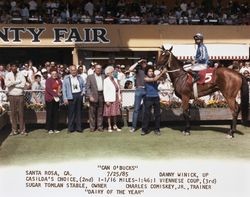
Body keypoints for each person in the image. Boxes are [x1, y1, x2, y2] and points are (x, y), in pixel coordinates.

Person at [141, 65, 167, 136]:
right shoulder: (145, 78)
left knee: (157, 115)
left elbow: (164, 78)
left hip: (156, 97)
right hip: (148, 98)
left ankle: (157, 129)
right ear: (147, 72)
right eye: (149, 71)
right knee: (147, 115)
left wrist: (163, 72)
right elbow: (154, 80)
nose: (151, 72)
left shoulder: (156, 77)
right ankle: (144, 129)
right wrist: (162, 73)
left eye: (152, 71)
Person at [5, 63, 27, 136]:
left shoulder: (21, 74)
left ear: (17, 67)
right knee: (13, 113)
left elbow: (23, 84)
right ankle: (14, 130)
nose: (14, 67)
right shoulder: (8, 74)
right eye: (12, 66)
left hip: (20, 95)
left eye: (15, 66)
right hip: (11, 95)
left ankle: (22, 130)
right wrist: (16, 82)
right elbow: (6, 84)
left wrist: (13, 85)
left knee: (21, 113)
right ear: (11, 67)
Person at [127, 59, 148, 132]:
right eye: (143, 62)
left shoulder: (148, 70)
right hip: (139, 90)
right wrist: (138, 62)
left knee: (146, 110)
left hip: (146, 90)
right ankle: (133, 127)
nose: (144, 64)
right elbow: (130, 69)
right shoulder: (138, 70)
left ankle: (144, 127)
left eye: (145, 62)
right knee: (136, 109)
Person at [63, 65, 85, 133]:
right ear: (70, 71)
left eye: (74, 70)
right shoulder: (66, 78)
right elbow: (64, 89)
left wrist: (83, 92)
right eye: (72, 70)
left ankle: (79, 128)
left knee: (78, 113)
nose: (73, 71)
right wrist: (65, 98)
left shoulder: (80, 77)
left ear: (76, 70)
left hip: (78, 95)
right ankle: (70, 128)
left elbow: (84, 86)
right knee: (71, 113)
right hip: (70, 96)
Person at [86, 64, 105, 132]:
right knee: (92, 112)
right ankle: (92, 127)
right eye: (97, 68)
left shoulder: (103, 76)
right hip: (93, 96)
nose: (98, 70)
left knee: (100, 112)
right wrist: (90, 96)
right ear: (94, 69)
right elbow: (87, 88)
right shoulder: (90, 77)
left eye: (100, 68)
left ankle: (100, 127)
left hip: (101, 95)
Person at [103, 66, 122, 132]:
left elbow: (118, 89)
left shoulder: (115, 79)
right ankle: (109, 126)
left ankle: (115, 126)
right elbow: (105, 91)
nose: (113, 73)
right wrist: (106, 100)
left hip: (116, 98)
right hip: (109, 98)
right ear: (107, 73)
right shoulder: (105, 80)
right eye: (111, 72)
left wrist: (119, 98)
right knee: (109, 114)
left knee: (115, 113)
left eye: (113, 72)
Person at [45, 67, 62, 134]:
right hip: (50, 99)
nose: (54, 75)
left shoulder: (59, 80)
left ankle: (55, 128)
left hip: (56, 100)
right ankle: (49, 128)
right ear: (51, 74)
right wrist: (56, 94)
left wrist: (60, 92)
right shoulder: (48, 80)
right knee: (50, 114)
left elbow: (60, 86)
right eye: (53, 74)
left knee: (56, 114)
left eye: (55, 74)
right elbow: (49, 89)